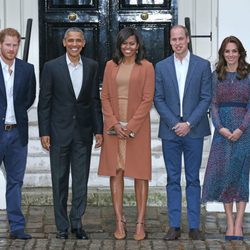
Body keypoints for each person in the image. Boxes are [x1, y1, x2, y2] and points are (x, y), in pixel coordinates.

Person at [38, 27, 103, 240]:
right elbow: (45, 102)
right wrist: (44, 131)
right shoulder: (51, 67)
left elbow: (94, 100)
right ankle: (62, 226)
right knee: (59, 180)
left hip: (83, 133)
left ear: (83, 43)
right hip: (58, 133)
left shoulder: (92, 66)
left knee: (80, 181)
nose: (74, 44)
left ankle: (77, 222)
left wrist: (98, 130)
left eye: (78, 41)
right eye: (71, 40)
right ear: (64, 42)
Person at [154, 25, 212, 240]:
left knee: (193, 178)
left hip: (194, 130)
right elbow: (158, 98)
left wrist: (188, 123)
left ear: (187, 39)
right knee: (172, 179)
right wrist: (173, 123)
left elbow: (206, 97)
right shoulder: (160, 67)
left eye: (181, 38)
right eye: (174, 39)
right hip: (170, 131)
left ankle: (195, 225)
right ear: (170, 42)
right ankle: (174, 225)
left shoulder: (202, 65)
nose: (177, 42)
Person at [98, 27, 155, 241]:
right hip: (114, 127)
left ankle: (140, 222)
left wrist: (130, 126)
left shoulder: (147, 67)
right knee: (117, 172)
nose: (128, 47)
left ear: (138, 45)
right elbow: (104, 97)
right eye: (124, 43)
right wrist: (113, 123)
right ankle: (119, 220)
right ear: (119, 45)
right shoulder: (110, 66)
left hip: (137, 128)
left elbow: (147, 99)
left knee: (140, 174)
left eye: (131, 43)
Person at [202, 36, 250, 241]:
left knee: (240, 176)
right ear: (223, 53)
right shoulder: (216, 76)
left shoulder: (248, 75)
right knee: (224, 175)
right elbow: (212, 104)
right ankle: (229, 222)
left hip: (244, 132)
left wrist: (241, 128)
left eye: (234, 51)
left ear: (240, 53)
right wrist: (220, 127)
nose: (231, 55)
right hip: (222, 133)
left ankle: (239, 223)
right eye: (227, 51)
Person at [0, 28, 36, 239]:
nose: (11, 49)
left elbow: (30, 97)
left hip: (17, 133)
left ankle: (16, 226)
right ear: (0, 45)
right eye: (8, 45)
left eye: (15, 45)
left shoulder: (27, 69)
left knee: (15, 181)